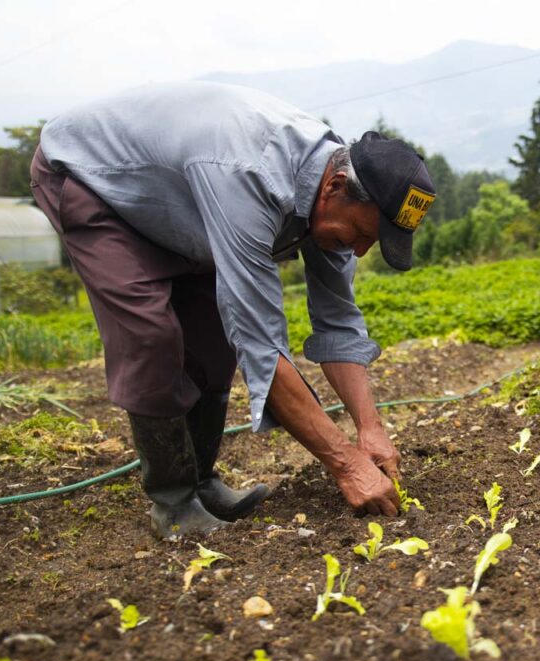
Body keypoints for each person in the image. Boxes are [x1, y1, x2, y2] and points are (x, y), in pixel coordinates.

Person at [29, 82, 437, 538]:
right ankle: (174, 502)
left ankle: (201, 481)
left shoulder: (334, 195)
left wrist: (370, 429)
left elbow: (338, 321)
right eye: (362, 233)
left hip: (178, 195)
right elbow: (261, 345)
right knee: (151, 334)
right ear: (336, 187)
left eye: (372, 242)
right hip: (92, 178)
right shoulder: (248, 175)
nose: (360, 251)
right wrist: (347, 465)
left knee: (210, 338)